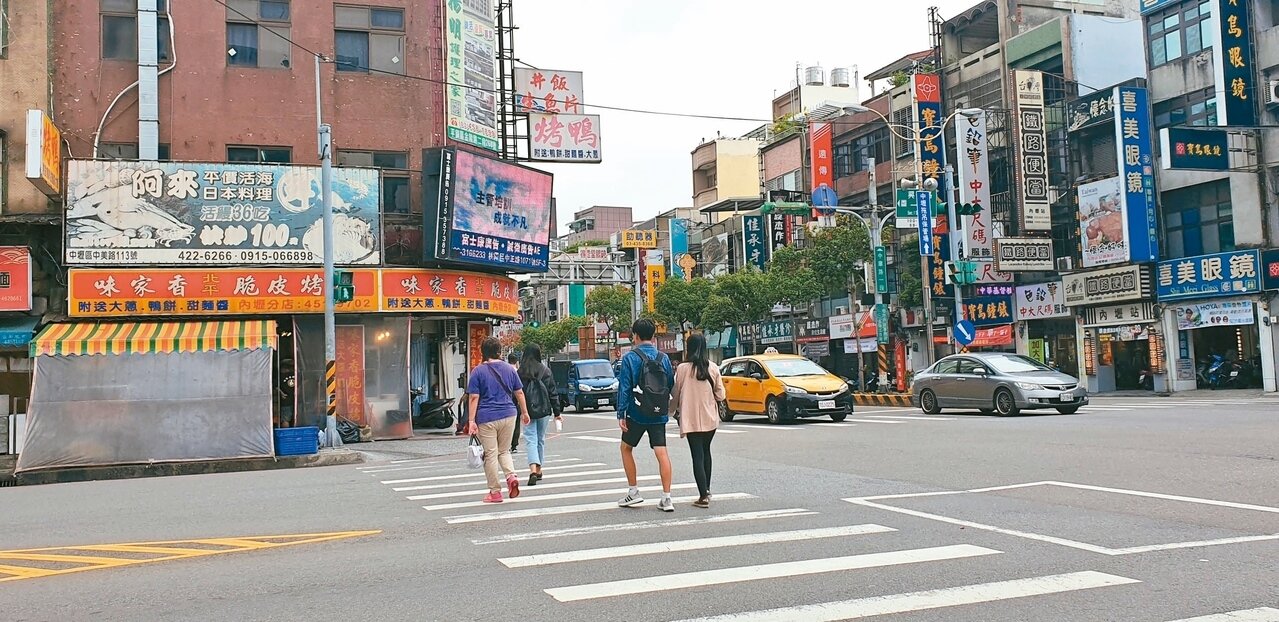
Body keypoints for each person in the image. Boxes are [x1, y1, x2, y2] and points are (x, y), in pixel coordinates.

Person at [615, 318, 676, 512]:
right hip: (658, 413)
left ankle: (633, 492)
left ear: (636, 335)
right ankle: (667, 498)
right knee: (661, 452)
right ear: (652, 336)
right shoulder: (663, 357)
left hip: (636, 412)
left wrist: (621, 413)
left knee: (626, 448)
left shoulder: (630, 358)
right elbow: (670, 383)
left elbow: (624, 387)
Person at [464, 337, 530, 503]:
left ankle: (495, 492)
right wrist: (525, 412)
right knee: (504, 451)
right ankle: (511, 476)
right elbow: (519, 392)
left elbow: (473, 397)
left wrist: (471, 421)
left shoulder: (478, 371)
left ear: (483, 352)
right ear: (499, 351)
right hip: (509, 414)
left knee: (491, 454)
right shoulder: (509, 369)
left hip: (487, 417)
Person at [670, 333, 725, 509]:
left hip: (690, 418)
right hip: (710, 418)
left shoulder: (682, 369)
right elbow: (721, 395)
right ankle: (707, 491)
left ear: (689, 347)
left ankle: (703, 496)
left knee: (697, 455)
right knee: (706, 451)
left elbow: (675, 393)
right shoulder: (714, 368)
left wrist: (670, 411)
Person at [517, 343, 562, 486]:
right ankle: (539, 469)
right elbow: (553, 393)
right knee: (540, 439)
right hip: (543, 410)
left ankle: (532, 470)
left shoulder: (520, 372)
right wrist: (557, 413)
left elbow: (516, 393)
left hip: (527, 411)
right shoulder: (545, 370)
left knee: (531, 439)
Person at [507, 352, 522, 452]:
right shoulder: (519, 372)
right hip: (516, 402)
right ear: (516, 361)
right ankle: (514, 445)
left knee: (507, 425)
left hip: (507, 402)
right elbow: (520, 391)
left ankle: (506, 444)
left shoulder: (505, 371)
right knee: (516, 424)